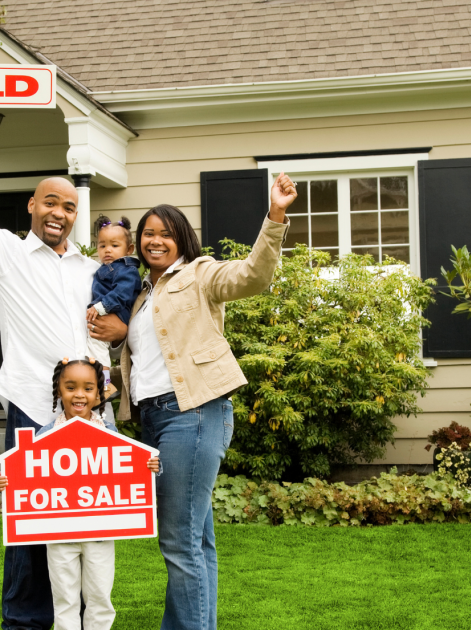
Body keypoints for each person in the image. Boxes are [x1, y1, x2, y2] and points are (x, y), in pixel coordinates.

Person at [0, 94, 128, 630]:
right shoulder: (4, 253)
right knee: (31, 526)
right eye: (50, 203)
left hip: (95, 413)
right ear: (31, 206)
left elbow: (109, 327)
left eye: (69, 207)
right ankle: (23, 623)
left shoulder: (92, 269)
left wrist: (114, 349)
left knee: (91, 528)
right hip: (33, 410)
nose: (60, 213)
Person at [104, 176, 297, 630]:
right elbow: (151, 361)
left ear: (181, 240)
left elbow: (253, 275)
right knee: (197, 540)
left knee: (178, 540)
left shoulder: (199, 274)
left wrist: (275, 217)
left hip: (193, 413)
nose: (155, 240)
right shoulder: (138, 296)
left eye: (166, 233)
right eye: (148, 233)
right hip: (153, 419)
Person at [0, 357, 160, 630]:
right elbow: (27, 476)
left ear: (99, 394)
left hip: (100, 534)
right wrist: (8, 483)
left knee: (99, 598)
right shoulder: (45, 435)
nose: (79, 395)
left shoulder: (110, 432)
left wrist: (150, 466)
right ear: (59, 391)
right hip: (59, 535)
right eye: (70, 387)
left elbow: (130, 469)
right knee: (64, 600)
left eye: (88, 388)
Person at [85, 215, 142, 399]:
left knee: (96, 345)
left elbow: (122, 293)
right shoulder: (105, 268)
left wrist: (100, 307)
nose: (107, 250)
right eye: (102, 246)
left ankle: (106, 385)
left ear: (129, 249)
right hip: (109, 312)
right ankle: (101, 382)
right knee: (94, 347)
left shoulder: (125, 269)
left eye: (114, 246)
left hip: (117, 313)